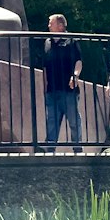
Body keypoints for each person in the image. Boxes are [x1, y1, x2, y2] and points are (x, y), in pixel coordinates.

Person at [43, 13, 82, 150]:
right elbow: (45, 65)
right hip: (52, 89)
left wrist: (75, 76)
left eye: (51, 23)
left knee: (73, 121)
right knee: (51, 122)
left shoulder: (71, 40)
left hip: (68, 89)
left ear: (60, 26)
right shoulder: (47, 42)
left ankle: (78, 149)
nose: (48, 26)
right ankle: (49, 151)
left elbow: (78, 61)